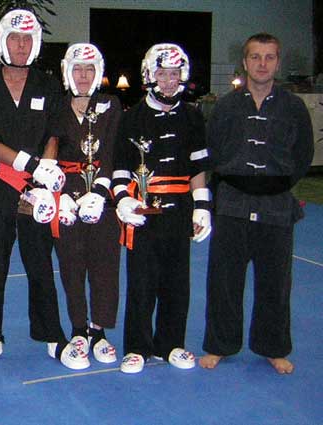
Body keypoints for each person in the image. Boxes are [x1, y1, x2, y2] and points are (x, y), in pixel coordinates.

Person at [0, 9, 86, 369]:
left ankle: (52, 335)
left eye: (26, 39)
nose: (21, 45)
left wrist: (46, 171)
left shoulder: (48, 85)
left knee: (40, 265)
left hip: (38, 190)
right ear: (1, 42)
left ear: (34, 43)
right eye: (14, 38)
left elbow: (53, 133)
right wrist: (28, 164)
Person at [199, 33, 313, 374]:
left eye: (269, 57)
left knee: (275, 282)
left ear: (278, 62)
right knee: (224, 281)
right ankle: (220, 345)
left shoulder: (293, 107)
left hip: (276, 205)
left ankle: (273, 347)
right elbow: (212, 151)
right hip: (232, 203)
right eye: (255, 57)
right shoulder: (226, 106)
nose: (262, 64)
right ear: (245, 62)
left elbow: (303, 154)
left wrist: (275, 184)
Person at [113, 43, 211, 374]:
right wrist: (122, 200)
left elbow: (198, 167)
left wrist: (202, 206)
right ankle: (137, 347)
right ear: (149, 76)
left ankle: (171, 344)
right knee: (141, 282)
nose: (168, 81)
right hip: (143, 210)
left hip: (180, 209)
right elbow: (120, 168)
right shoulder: (132, 118)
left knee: (177, 282)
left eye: (174, 74)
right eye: (162, 74)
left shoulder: (193, 116)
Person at [53, 43, 122, 368]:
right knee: (71, 265)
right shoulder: (56, 106)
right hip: (67, 198)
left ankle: (99, 330)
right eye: (78, 69)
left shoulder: (111, 105)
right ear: (68, 72)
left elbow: (113, 152)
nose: (83, 75)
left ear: (98, 73)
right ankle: (79, 328)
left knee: (105, 265)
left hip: (102, 199)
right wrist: (58, 192)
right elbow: (48, 151)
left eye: (89, 69)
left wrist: (103, 190)